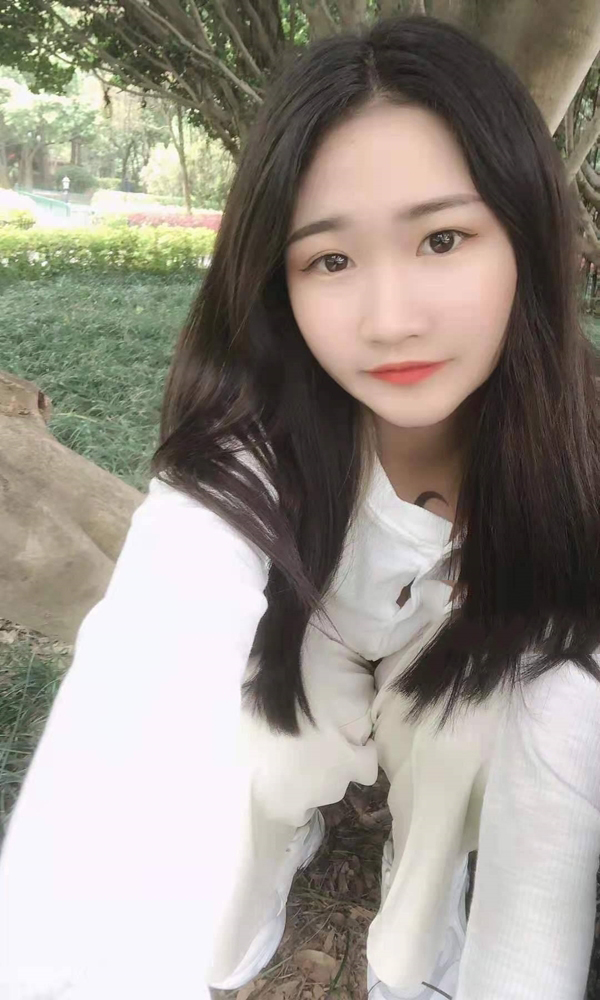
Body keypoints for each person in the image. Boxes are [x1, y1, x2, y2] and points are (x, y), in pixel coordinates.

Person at [0, 13, 599, 1000]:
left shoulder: (577, 456)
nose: (390, 319)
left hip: (464, 653)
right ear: (279, 279)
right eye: (331, 259)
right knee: (276, 750)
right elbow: (149, 667)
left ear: (526, 240)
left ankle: (418, 935)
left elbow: (558, 807)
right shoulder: (249, 449)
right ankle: (269, 865)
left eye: (443, 238)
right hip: (309, 629)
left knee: (484, 735)